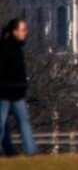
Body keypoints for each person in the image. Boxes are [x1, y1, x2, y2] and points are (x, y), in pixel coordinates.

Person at [0, 19, 36, 156]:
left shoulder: (17, 48)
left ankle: (31, 151)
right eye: (23, 30)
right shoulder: (5, 48)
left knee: (24, 121)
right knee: (2, 123)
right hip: (4, 93)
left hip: (16, 93)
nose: (26, 32)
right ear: (15, 32)